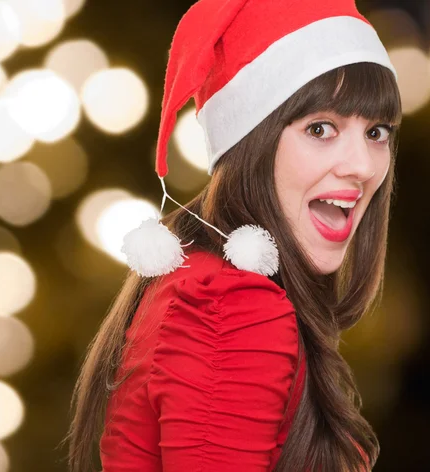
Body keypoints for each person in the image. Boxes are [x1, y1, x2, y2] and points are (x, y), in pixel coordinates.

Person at [64, 0, 402, 470]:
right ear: (252, 144)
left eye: (377, 132)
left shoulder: (201, 280)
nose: (364, 167)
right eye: (321, 128)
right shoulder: (233, 306)